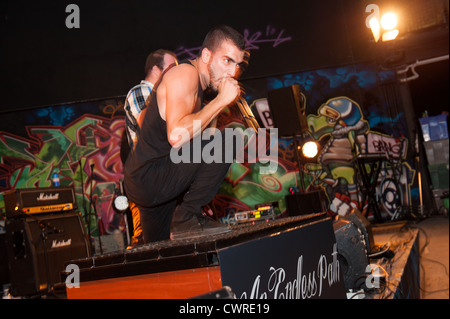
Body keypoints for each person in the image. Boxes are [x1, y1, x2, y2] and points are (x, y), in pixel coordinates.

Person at [124, 25, 248, 243]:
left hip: (155, 184)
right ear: (207, 55)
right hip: (151, 175)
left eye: (237, 65)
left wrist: (197, 195)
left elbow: (198, 149)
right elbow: (177, 136)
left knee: (163, 256)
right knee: (230, 139)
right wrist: (221, 101)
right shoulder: (185, 74)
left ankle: (185, 218)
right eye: (227, 61)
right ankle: (185, 218)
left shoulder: (200, 89)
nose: (233, 72)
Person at [122, 49, 177, 246]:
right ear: (156, 69)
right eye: (171, 68)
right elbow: (151, 129)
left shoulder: (168, 96)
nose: (176, 73)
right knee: (147, 241)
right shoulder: (140, 92)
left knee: (170, 237)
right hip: (147, 178)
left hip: (164, 175)